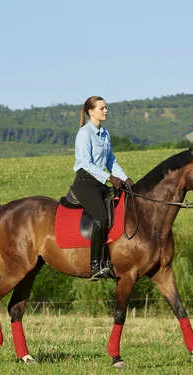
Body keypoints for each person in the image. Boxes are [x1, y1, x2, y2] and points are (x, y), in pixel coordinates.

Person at [72, 96, 133, 281]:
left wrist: (126, 178)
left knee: (117, 214)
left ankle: (108, 263)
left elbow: (111, 161)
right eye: (102, 108)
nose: (105, 111)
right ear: (91, 112)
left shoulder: (105, 134)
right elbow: (86, 163)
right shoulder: (84, 133)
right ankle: (95, 265)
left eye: (106, 108)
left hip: (100, 184)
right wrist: (109, 177)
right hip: (85, 183)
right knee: (101, 217)